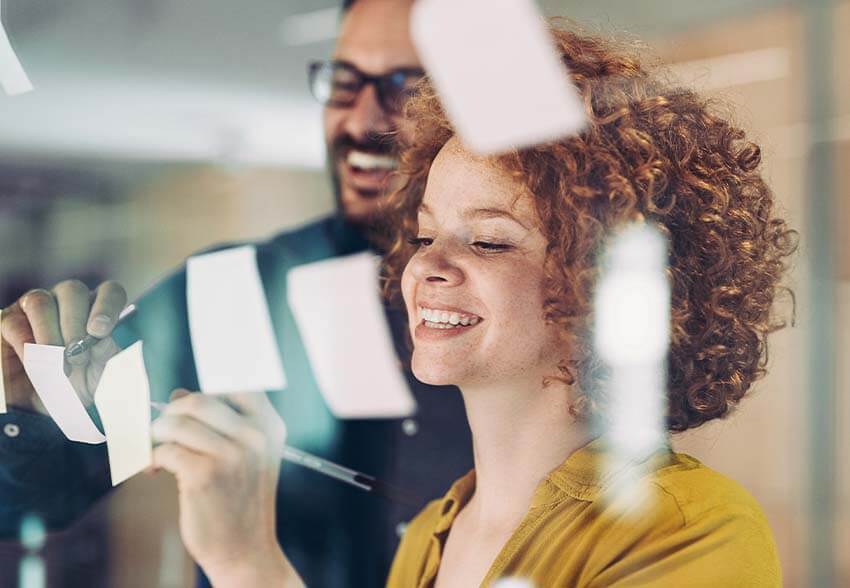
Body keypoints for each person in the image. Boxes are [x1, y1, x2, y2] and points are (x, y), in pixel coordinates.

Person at [149, 24, 796, 587]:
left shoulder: (689, 530)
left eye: (488, 241)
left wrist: (248, 567)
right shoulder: (433, 532)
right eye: (426, 235)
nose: (425, 267)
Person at [0, 0, 473, 586]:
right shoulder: (230, 291)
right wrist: (26, 416)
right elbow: (31, 502)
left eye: (406, 85)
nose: (360, 120)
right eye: (345, 83)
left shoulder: (554, 305)